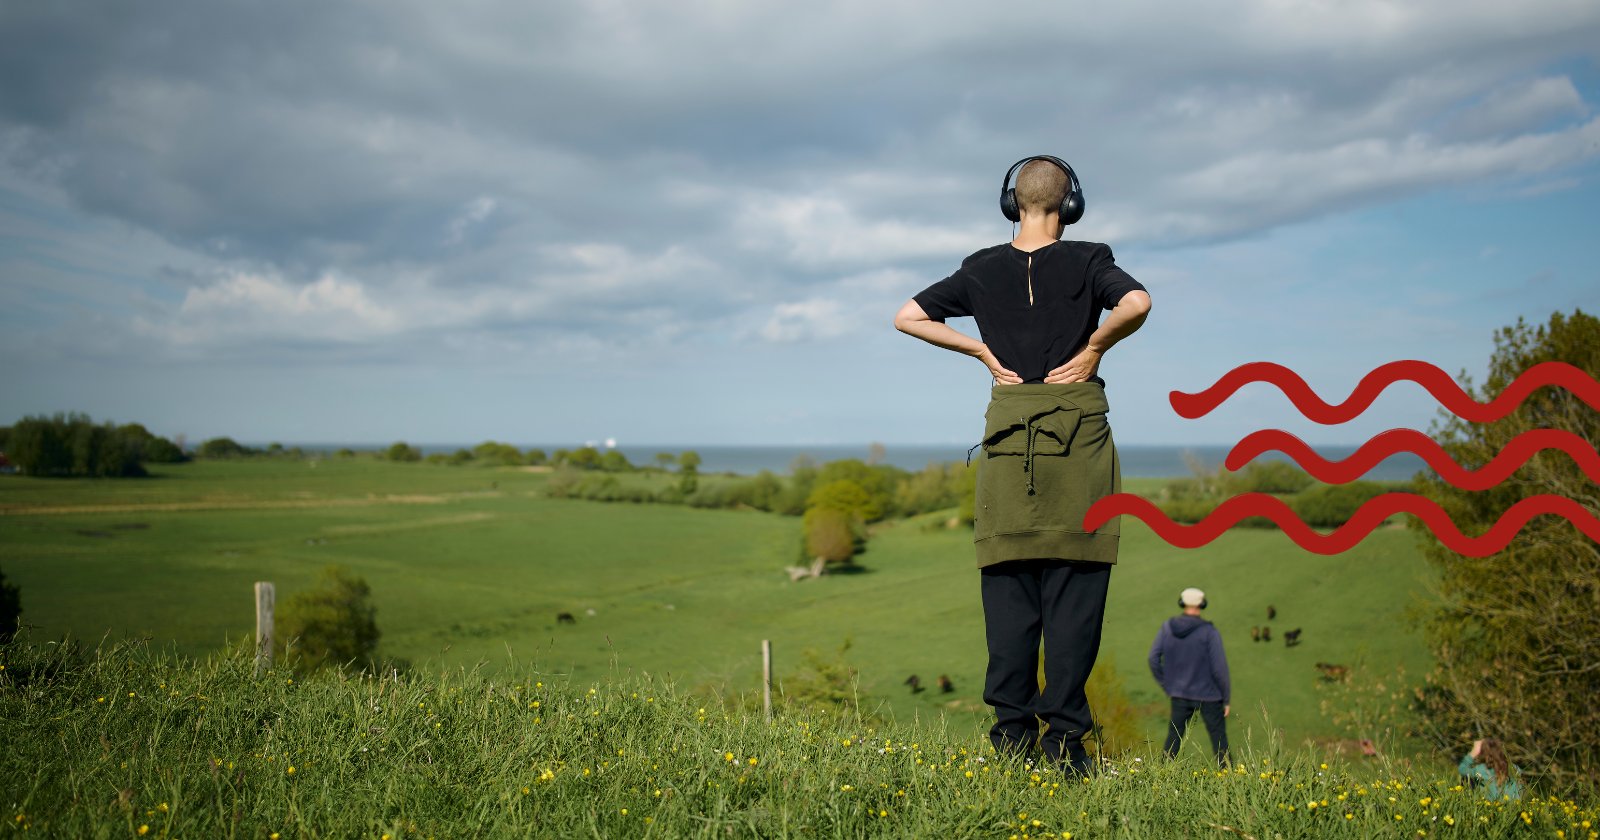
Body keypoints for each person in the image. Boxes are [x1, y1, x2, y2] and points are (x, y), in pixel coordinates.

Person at [895, 155, 1151, 775]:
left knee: (1008, 591)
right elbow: (1137, 303)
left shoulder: (980, 268)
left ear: (1013, 203)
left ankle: (1010, 745)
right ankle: (1064, 747)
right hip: (1080, 441)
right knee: (1075, 592)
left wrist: (981, 351)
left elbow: (908, 316)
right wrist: (1094, 347)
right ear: (1070, 205)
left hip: (1008, 442)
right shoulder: (1090, 259)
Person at [1149, 587, 1231, 766]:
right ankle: (1228, 775)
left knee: (1174, 738)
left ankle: (1165, 774)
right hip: (1209, 695)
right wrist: (1226, 698)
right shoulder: (1209, 631)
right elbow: (1219, 668)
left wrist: (1167, 685)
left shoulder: (1167, 627)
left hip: (1179, 692)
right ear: (1202, 604)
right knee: (1219, 739)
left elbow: (1153, 658)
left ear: (1182, 603)